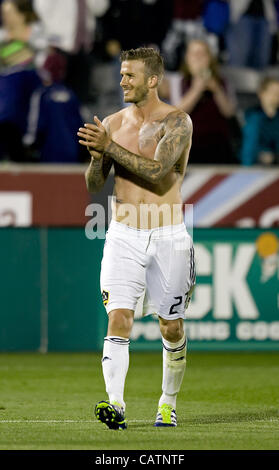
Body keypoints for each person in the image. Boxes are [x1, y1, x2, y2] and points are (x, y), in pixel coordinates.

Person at [77, 47, 196, 430]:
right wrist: (98, 157)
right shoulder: (112, 122)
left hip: (168, 233)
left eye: (130, 75)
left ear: (153, 80)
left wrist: (109, 147)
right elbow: (95, 185)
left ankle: (167, 402)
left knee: (171, 326)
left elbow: (160, 172)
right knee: (119, 317)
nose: (122, 81)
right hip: (124, 232)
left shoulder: (177, 121)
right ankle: (115, 404)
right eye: (122, 74)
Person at [172, 38, 237, 164]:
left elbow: (229, 112)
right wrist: (196, 90)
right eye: (194, 53)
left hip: (218, 142)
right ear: (187, 58)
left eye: (202, 53)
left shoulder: (222, 82)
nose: (198, 57)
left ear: (209, 58)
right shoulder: (178, 81)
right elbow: (177, 114)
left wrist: (217, 91)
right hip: (189, 144)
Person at [239, 76, 279, 166]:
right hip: (255, 166)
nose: (275, 96)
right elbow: (249, 148)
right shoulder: (252, 116)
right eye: (272, 92)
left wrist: (274, 157)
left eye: (278, 92)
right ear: (261, 93)